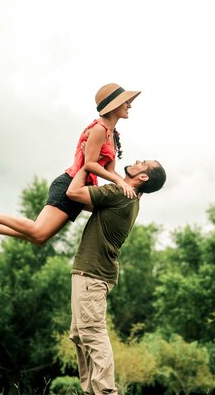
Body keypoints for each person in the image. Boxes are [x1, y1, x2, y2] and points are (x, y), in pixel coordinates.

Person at [0, 83, 141, 245]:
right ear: (113, 105)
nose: (130, 105)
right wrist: (121, 184)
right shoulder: (99, 129)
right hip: (69, 184)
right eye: (126, 101)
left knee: (39, 238)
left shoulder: (113, 135)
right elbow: (91, 164)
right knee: (37, 230)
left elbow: (109, 170)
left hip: (84, 189)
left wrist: (129, 191)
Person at [66, 159, 166, 394]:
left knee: (92, 333)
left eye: (143, 163)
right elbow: (91, 194)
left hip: (92, 273)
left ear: (143, 177)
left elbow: (73, 193)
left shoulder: (120, 193)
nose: (137, 160)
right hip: (92, 272)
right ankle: (92, 390)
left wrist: (86, 162)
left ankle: (106, 392)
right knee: (79, 334)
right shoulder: (127, 195)